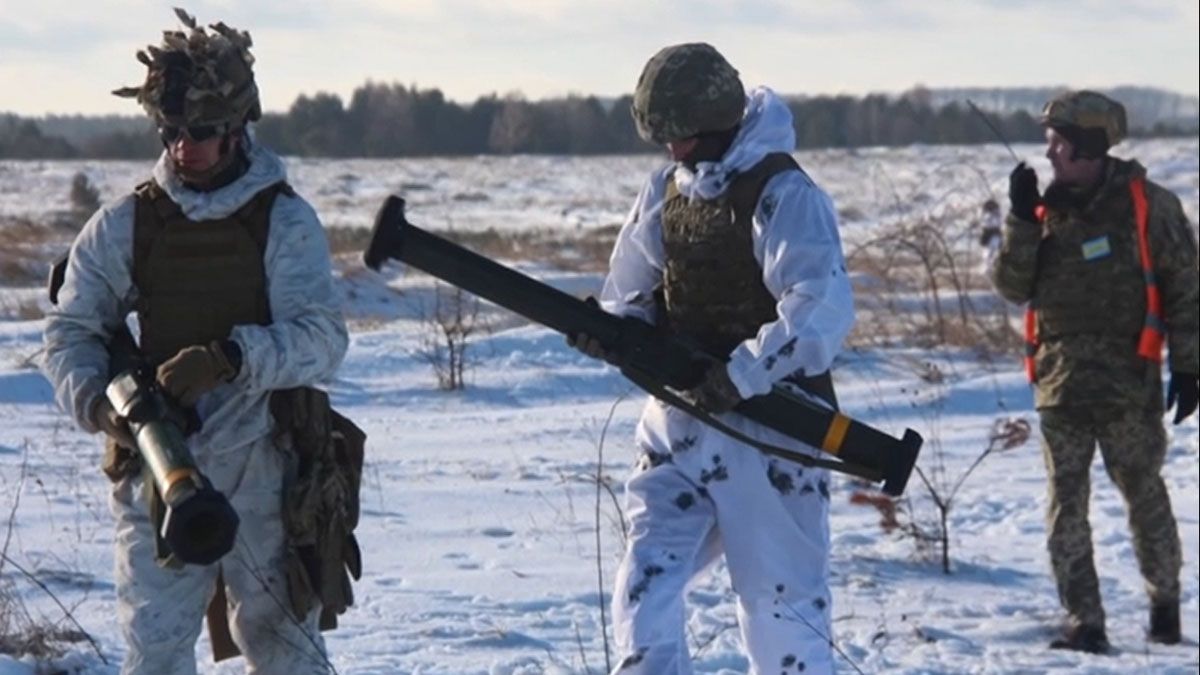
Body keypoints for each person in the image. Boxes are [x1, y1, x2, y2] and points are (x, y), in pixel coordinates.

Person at [41, 9, 348, 674]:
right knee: (154, 652)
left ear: (239, 129)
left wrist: (232, 358)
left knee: (283, 643)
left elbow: (324, 338)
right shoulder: (126, 225)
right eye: (172, 131)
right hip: (155, 463)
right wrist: (107, 409)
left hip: (265, 459)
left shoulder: (283, 222)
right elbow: (70, 332)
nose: (186, 148)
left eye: (203, 132)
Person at [570, 43, 854, 674]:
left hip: (774, 436)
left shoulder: (784, 195)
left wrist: (742, 373)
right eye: (662, 137)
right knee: (643, 592)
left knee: (783, 618)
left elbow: (818, 310)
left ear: (717, 121)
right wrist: (608, 332)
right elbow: (631, 295)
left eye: (680, 136)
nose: (671, 151)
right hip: (678, 430)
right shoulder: (665, 191)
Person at [990, 90, 1198, 653]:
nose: (1049, 153)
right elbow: (1011, 287)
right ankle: (1085, 621)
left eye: (1059, 142)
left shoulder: (1149, 206)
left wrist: (1190, 364)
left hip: (1130, 383)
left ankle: (1164, 608)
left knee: (1144, 494)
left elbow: (1186, 289)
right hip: (1060, 384)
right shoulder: (1040, 210)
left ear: (1088, 145)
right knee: (1066, 504)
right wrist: (1018, 218)